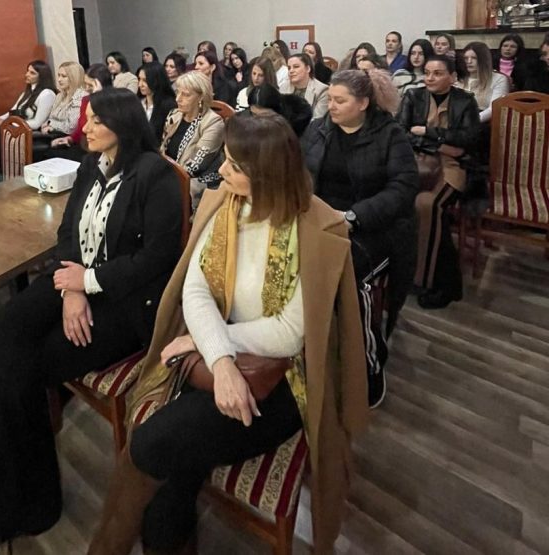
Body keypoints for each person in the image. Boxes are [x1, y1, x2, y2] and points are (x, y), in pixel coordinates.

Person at [87, 111, 368, 555]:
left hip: (280, 381)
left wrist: (207, 343)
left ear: (266, 175)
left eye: (234, 166)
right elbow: (195, 290)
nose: (221, 171)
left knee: (150, 446)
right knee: (170, 461)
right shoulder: (228, 205)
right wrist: (219, 360)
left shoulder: (313, 229)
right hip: (219, 355)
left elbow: (290, 334)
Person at [0, 88, 183, 555]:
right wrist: (72, 289)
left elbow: (157, 257)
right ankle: (7, 508)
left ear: (122, 124)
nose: (87, 128)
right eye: (88, 119)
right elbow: (67, 233)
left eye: (97, 120)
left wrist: (90, 281)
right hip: (73, 279)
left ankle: (12, 511)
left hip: (125, 300)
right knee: (7, 330)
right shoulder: (89, 166)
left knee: (25, 368)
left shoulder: (154, 173)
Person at [302, 69, 416, 408]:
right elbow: (299, 172)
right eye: (330, 99)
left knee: (347, 272)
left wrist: (353, 217)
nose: (332, 106)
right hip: (324, 221)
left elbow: (402, 189)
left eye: (340, 101)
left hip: (374, 227)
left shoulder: (390, 135)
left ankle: (370, 361)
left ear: (363, 103)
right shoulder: (319, 129)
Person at [396, 55, 480, 310]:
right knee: (400, 200)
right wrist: (440, 144)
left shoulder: (465, 101)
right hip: (416, 163)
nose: (430, 78)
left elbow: (469, 140)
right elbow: (400, 133)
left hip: (452, 167)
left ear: (452, 77)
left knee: (428, 205)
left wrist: (428, 132)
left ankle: (429, 281)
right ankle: (410, 271)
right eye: (427, 72)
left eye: (438, 73)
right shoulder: (413, 96)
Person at [161, 71, 224, 207]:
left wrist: (162, 179)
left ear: (201, 97)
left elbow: (195, 167)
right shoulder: (174, 115)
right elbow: (162, 151)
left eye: (185, 94)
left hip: (197, 183)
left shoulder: (213, 122)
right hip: (169, 176)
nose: (178, 99)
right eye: (177, 92)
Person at [49, 64, 113, 161]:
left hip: (100, 147)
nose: (86, 88)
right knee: (52, 153)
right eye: (85, 84)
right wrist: (70, 139)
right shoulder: (85, 99)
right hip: (84, 144)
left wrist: (98, 95)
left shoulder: (112, 101)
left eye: (91, 85)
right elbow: (80, 127)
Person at [32, 61, 87, 161]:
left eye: (64, 76)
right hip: (52, 133)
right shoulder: (59, 96)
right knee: (27, 143)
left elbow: (71, 127)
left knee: (38, 151)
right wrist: (47, 124)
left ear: (73, 78)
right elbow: (50, 118)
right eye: (59, 75)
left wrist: (51, 126)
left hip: (68, 137)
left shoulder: (81, 96)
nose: (59, 79)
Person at [0, 60, 56, 131]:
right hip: (18, 130)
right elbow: (13, 111)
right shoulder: (27, 93)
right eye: (28, 71)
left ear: (42, 77)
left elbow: (37, 123)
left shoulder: (47, 94)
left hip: (32, 133)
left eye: (32, 73)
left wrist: (6, 123)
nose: (27, 74)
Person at [459, 42, 510, 124]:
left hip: (483, 122)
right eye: (466, 58)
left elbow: (494, 108)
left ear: (484, 59)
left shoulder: (499, 79)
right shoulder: (458, 78)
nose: (469, 61)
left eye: (474, 58)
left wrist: (470, 121)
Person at [137, 61, 177, 143]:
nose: (140, 84)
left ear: (156, 80)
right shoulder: (138, 102)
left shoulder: (168, 105)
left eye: (145, 80)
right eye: (139, 79)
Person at [280, 53, 329, 118]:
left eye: (296, 67)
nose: (291, 71)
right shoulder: (284, 86)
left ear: (308, 69)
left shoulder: (322, 90)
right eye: (289, 68)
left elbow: (317, 119)